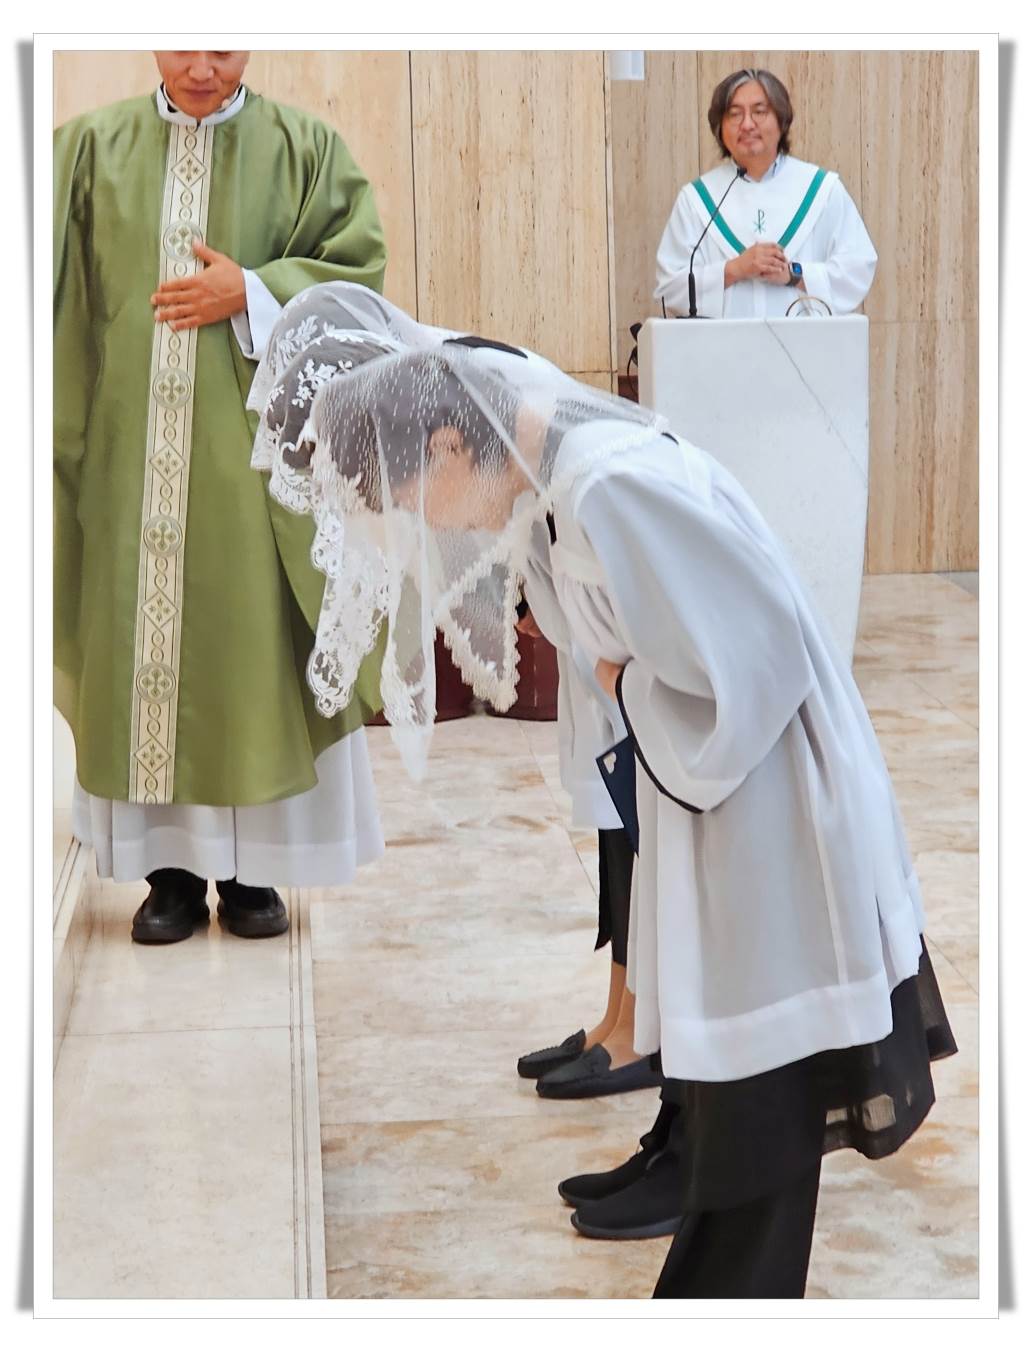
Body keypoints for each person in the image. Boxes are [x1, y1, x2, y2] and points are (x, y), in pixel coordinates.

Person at [251, 300, 955, 1298]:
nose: (431, 523)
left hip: (771, 808)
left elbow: (758, 666)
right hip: (724, 806)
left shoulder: (607, 485)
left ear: (449, 443)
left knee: (762, 1111)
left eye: (415, 498)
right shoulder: (561, 477)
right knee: (744, 1108)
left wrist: (625, 683)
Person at [54, 51, 390, 943]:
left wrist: (256, 290)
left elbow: (359, 276)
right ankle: (168, 876)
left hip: (254, 466)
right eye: (184, 40)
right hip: (126, 460)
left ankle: (251, 874)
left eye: (224, 43)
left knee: (247, 652)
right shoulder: (88, 151)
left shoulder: (306, 149)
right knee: (141, 654)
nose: (203, 66)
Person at [655, 68, 877, 319]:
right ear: (720, 128)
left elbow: (857, 269)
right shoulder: (697, 199)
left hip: (804, 341)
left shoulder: (822, 190)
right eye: (734, 114)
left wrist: (794, 274)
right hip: (725, 343)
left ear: (781, 121)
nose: (747, 124)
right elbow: (670, 288)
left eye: (759, 112)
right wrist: (734, 269)